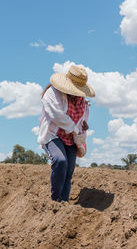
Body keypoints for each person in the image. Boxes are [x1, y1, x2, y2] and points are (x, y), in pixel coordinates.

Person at [38, 65, 95, 202]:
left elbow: (82, 119)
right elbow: (57, 116)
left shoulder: (83, 103)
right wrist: (74, 128)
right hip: (53, 134)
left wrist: (82, 126)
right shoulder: (52, 94)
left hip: (71, 139)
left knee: (69, 171)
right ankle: (56, 201)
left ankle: (64, 203)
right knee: (60, 161)